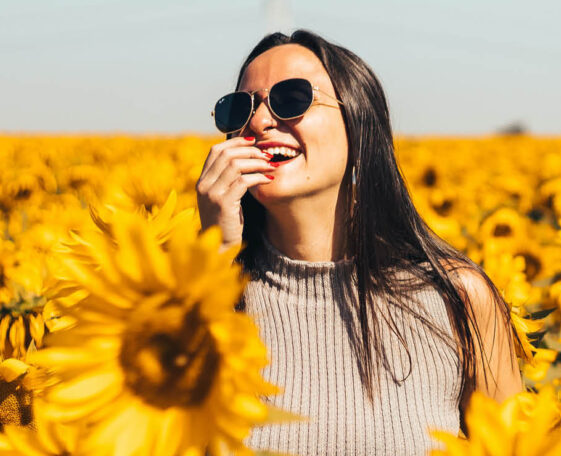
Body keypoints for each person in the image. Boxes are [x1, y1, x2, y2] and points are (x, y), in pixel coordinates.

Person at [195, 30, 521, 455]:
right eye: (240, 108)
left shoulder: (457, 298)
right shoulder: (191, 302)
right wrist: (210, 262)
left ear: (359, 124)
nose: (258, 122)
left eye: (291, 98)